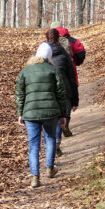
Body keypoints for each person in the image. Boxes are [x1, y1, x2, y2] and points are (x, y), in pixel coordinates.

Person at [15, 42, 67, 188]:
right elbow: (60, 93)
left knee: (34, 144)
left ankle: (35, 177)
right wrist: (63, 114)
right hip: (51, 112)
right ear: (48, 57)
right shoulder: (52, 70)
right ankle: (50, 168)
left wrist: (20, 113)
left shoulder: (25, 71)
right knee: (50, 139)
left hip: (30, 113)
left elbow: (20, 94)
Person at [45, 28, 78, 155]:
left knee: (51, 120)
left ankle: (52, 146)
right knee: (61, 116)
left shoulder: (41, 53)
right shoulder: (64, 53)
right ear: (59, 38)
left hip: (48, 90)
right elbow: (72, 76)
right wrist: (75, 99)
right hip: (64, 89)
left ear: (47, 39)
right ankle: (57, 143)